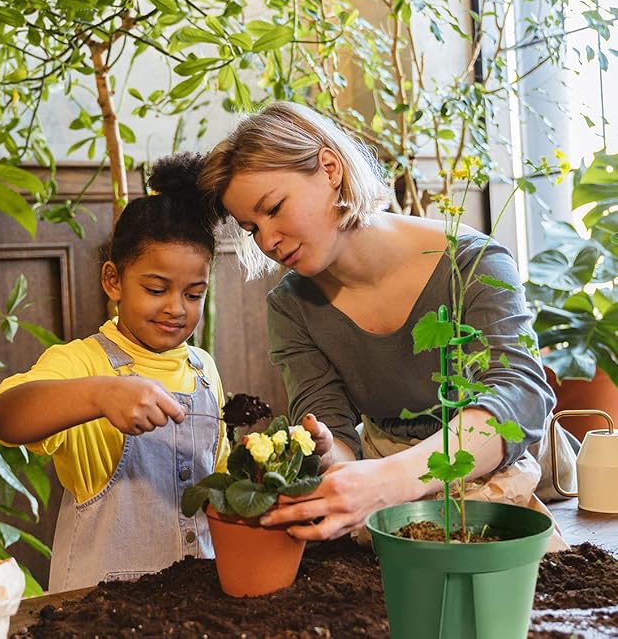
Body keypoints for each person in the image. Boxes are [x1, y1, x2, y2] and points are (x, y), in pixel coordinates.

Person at [198, 101, 565, 543]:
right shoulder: (291, 307)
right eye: (251, 228)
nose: (269, 241)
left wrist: (393, 479)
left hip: (508, 476)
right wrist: (329, 453)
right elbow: (337, 437)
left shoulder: (470, 261)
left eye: (274, 208)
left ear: (330, 168)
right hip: (384, 488)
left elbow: (521, 395)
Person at [0, 153, 228, 592]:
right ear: (113, 281)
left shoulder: (204, 370)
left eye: (194, 294)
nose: (176, 308)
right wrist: (100, 396)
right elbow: (3, 417)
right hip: (100, 608)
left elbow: (221, 486)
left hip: (198, 602)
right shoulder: (84, 362)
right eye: (156, 289)